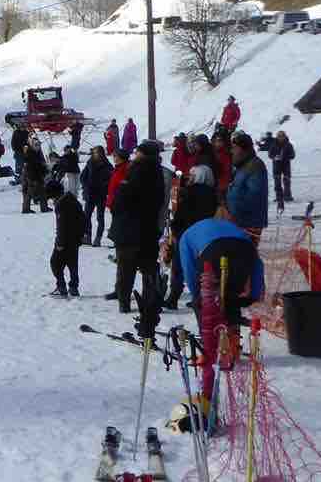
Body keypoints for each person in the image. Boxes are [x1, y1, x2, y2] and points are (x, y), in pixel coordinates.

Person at [178, 212, 264, 401]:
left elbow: (189, 268)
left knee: (208, 304)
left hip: (212, 252)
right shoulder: (233, 229)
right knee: (231, 296)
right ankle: (231, 346)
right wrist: (255, 293)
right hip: (244, 251)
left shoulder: (186, 236)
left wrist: (198, 297)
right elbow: (258, 263)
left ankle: (211, 348)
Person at [107, 142, 166, 314]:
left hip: (129, 228)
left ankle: (124, 302)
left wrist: (118, 203)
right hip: (148, 227)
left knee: (126, 269)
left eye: (137, 152)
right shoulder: (159, 172)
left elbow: (121, 199)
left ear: (142, 154)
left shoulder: (136, 171)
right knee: (148, 267)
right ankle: (149, 300)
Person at [162, 163, 219, 310]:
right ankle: (199, 297)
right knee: (200, 267)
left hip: (186, 232)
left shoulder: (189, 192)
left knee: (179, 266)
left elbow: (182, 213)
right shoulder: (213, 194)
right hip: (205, 234)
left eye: (193, 175)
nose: (190, 178)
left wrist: (174, 229)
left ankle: (173, 297)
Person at [226, 132, 269, 246]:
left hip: (248, 222)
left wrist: (235, 210)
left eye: (235, 148)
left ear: (244, 149)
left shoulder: (254, 166)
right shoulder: (241, 166)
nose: (232, 151)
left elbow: (255, 196)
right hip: (237, 220)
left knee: (244, 257)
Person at [48, 179, 86, 298]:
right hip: (75, 239)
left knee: (55, 263)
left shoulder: (61, 204)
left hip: (65, 240)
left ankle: (61, 286)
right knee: (72, 264)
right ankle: (73, 287)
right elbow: (83, 219)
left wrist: (60, 242)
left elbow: (62, 226)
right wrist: (81, 236)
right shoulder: (72, 199)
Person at [81, 147, 113, 245]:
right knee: (86, 216)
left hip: (100, 194)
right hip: (90, 194)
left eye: (96, 153)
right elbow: (83, 177)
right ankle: (88, 236)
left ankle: (98, 238)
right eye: (94, 153)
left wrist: (103, 186)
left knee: (100, 217)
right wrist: (86, 186)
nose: (95, 155)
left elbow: (110, 180)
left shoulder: (107, 165)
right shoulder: (90, 163)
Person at [20, 142, 50, 214]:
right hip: (32, 176)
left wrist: (44, 170)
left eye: (39, 145)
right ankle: (26, 209)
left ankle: (44, 207)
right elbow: (31, 167)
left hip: (38, 176)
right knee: (29, 193)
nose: (38, 147)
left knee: (42, 192)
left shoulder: (37, 153)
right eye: (36, 145)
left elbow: (40, 165)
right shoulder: (30, 154)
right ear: (33, 146)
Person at [269, 130, 295, 210]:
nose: (280, 137)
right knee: (277, 181)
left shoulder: (289, 145)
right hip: (276, 165)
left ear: (284, 136)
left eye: (282, 136)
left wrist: (285, 157)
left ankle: (287, 196)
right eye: (279, 136)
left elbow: (293, 155)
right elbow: (270, 154)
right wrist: (275, 157)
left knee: (286, 181)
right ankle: (279, 197)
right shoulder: (273, 144)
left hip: (286, 165)